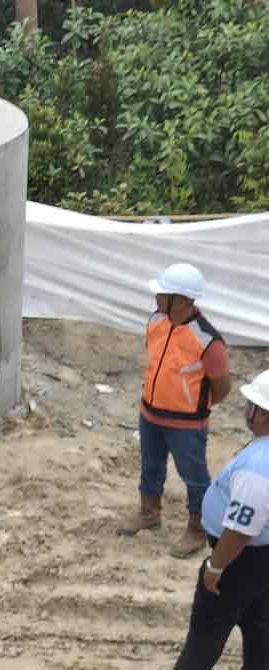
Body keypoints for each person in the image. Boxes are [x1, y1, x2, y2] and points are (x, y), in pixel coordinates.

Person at [117, 263, 231, 558]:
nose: (156, 299)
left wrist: (194, 407)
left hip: (186, 425)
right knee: (151, 466)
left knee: (194, 477)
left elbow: (222, 387)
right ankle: (149, 512)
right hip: (150, 414)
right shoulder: (156, 321)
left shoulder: (208, 340)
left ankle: (197, 529)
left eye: (162, 294)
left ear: (182, 300)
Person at [174, 369, 269, 669]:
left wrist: (216, 566)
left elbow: (241, 529)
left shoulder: (257, 466)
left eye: (251, 405)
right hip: (262, 560)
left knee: (205, 637)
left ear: (263, 414)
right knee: (261, 632)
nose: (247, 410)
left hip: (241, 560)